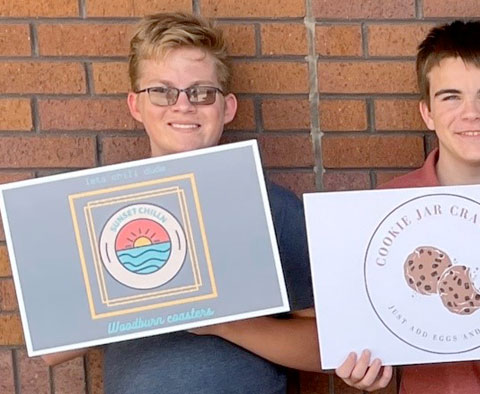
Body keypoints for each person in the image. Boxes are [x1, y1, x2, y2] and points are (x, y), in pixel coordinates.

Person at [38, 12, 321, 394]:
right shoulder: (96, 212)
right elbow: (52, 349)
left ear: (228, 107)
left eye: (203, 92)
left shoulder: (271, 208)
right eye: (162, 91)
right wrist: (144, 294)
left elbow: (324, 346)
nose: (183, 105)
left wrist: (221, 321)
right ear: (136, 105)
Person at [333, 20, 480, 394]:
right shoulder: (381, 213)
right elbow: (368, 335)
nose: (471, 112)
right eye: (450, 97)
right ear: (427, 113)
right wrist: (364, 371)